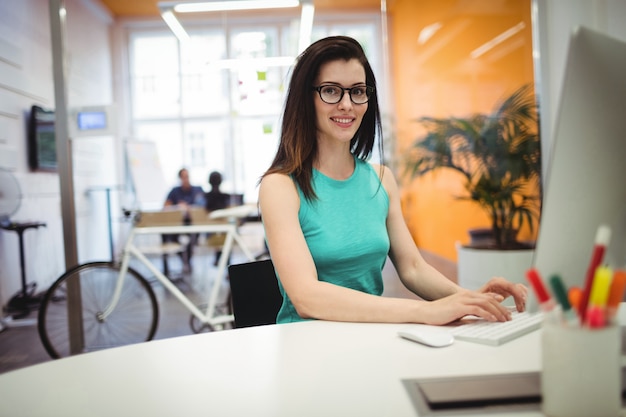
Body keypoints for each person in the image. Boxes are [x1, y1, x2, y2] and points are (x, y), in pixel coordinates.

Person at [258, 36, 528, 325]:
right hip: (307, 347)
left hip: (372, 339)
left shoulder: (381, 179)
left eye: (358, 91)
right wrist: (424, 312)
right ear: (305, 99)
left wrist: (469, 300)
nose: (347, 104)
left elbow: (412, 268)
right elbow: (306, 297)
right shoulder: (280, 186)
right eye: (331, 91)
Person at [163, 168, 205, 272]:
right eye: (183, 177)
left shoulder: (197, 190)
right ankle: (183, 257)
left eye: (187, 176)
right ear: (180, 178)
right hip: (177, 223)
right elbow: (166, 205)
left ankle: (187, 259)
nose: (186, 179)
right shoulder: (175, 191)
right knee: (170, 237)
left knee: (194, 236)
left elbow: (204, 204)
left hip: (192, 222)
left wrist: (191, 208)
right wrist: (178, 206)